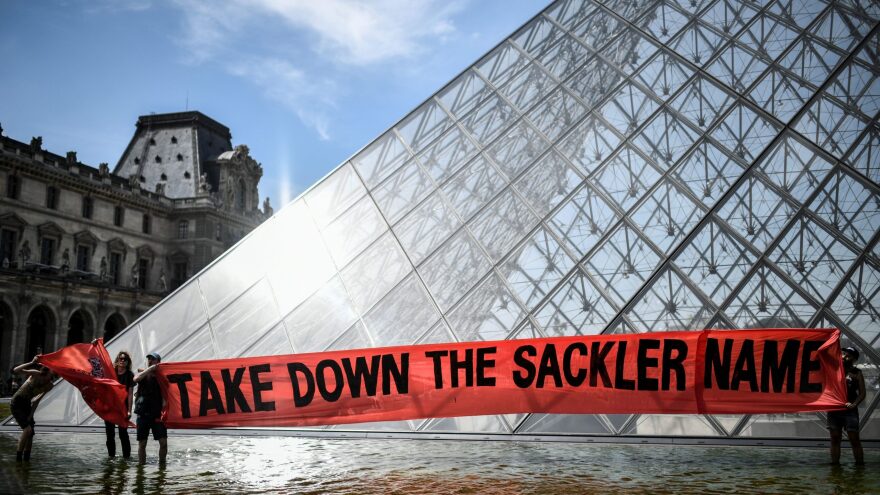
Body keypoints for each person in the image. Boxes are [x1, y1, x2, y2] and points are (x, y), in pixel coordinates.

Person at [10, 356, 56, 462]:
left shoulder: (50, 386)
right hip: (17, 402)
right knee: (27, 429)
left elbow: (36, 401)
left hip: (27, 404)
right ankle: (18, 458)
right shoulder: (36, 374)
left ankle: (26, 459)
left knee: (31, 433)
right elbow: (16, 370)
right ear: (48, 369)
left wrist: (31, 415)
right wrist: (31, 362)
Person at [828, 346, 865, 465]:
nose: (844, 356)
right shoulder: (834, 369)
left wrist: (854, 404)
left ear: (854, 359)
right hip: (834, 409)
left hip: (850, 411)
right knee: (835, 437)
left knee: (854, 438)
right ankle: (835, 466)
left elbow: (862, 393)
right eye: (844, 353)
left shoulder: (857, 373)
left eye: (848, 355)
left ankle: (859, 466)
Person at [133, 352, 167, 465]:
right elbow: (136, 379)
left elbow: (167, 393)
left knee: (163, 442)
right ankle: (141, 467)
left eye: (153, 359)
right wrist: (149, 369)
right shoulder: (143, 374)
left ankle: (162, 466)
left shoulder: (162, 377)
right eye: (149, 359)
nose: (150, 361)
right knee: (142, 443)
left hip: (157, 414)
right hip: (143, 414)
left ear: (158, 362)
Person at [105, 351, 135, 459]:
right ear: (117, 360)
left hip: (123, 407)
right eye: (121, 358)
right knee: (110, 434)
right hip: (111, 407)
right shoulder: (111, 372)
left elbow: (130, 393)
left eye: (125, 359)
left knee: (123, 434)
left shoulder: (129, 375)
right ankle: (111, 456)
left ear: (128, 362)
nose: (122, 361)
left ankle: (126, 458)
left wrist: (129, 410)